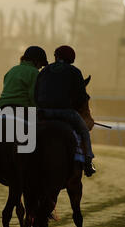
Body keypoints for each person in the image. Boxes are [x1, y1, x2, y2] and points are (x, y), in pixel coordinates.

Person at [34, 45, 96, 177]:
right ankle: (88, 162)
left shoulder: (44, 71)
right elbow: (81, 98)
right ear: (71, 58)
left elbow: (36, 94)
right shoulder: (75, 72)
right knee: (84, 131)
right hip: (67, 113)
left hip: (43, 113)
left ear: (57, 57)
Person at [0, 46, 48, 116]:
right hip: (21, 110)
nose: (41, 67)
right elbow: (33, 96)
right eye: (41, 64)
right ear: (35, 61)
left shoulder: (12, 70)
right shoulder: (34, 73)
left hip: (1, 109)